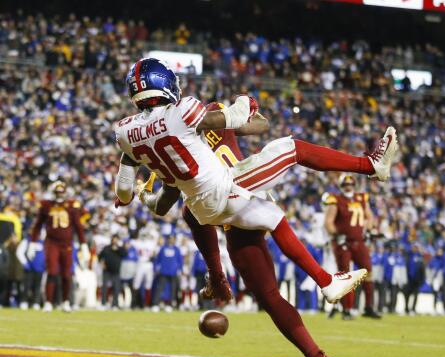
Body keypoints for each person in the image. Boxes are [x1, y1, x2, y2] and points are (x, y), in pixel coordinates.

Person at [112, 59, 390, 306]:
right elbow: (238, 118)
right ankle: (370, 165)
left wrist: (140, 195)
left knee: (272, 217)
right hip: (226, 186)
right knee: (292, 148)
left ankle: (325, 281)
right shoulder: (184, 114)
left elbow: (127, 193)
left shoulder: (127, 133)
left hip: (199, 205)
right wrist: (247, 99)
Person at [324, 174, 381, 319]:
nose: (348, 186)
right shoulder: (335, 200)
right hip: (344, 242)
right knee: (345, 275)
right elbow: (328, 222)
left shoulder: (361, 198)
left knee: (368, 272)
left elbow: (370, 217)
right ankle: (346, 309)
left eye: (350, 184)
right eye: (345, 184)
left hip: (359, 241)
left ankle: (368, 307)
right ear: (341, 186)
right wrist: (336, 234)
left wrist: (367, 229)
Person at [30, 182, 88, 312]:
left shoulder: (72, 206)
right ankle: (49, 302)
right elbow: (38, 225)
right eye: (57, 193)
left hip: (67, 244)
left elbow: (78, 226)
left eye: (61, 193)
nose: (59, 195)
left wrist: (83, 244)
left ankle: (66, 301)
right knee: (52, 271)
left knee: (67, 274)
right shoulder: (46, 205)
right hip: (51, 243)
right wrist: (33, 242)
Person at [152, 235, 183, 312]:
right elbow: (157, 259)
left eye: (172, 239)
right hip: (163, 271)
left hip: (173, 272)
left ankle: (169, 305)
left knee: (172, 289)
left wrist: (179, 269)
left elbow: (180, 261)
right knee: (160, 288)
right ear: (168, 239)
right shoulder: (163, 248)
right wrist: (156, 268)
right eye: (170, 239)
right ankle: (156, 304)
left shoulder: (177, 249)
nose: (171, 240)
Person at [98, 235, 127, 310]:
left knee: (116, 288)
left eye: (116, 240)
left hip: (116, 271)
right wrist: (101, 263)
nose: (115, 241)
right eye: (114, 239)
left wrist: (118, 249)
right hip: (107, 270)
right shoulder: (107, 248)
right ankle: (103, 303)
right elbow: (100, 256)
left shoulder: (120, 249)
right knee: (104, 287)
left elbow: (125, 254)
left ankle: (115, 304)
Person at [16, 236, 45, 310]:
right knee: (26, 285)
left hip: (40, 268)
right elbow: (19, 252)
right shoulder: (27, 240)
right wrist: (25, 263)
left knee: (37, 286)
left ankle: (36, 303)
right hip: (29, 268)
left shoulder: (43, 241)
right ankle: (24, 302)